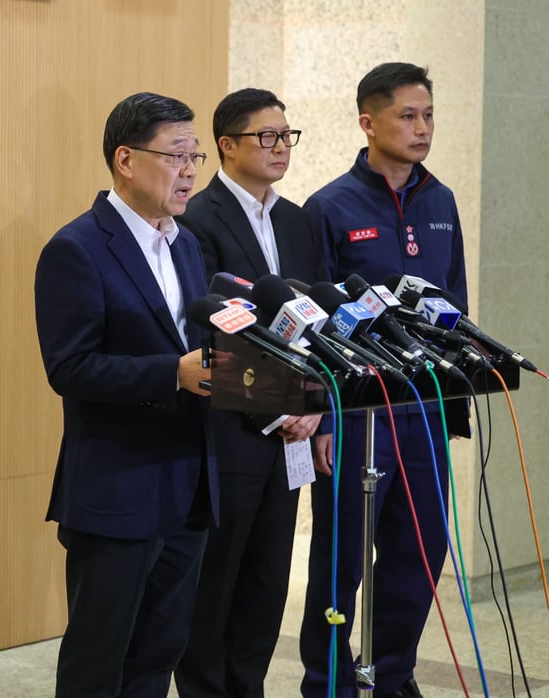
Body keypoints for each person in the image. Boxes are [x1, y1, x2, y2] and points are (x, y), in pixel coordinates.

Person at [34, 91, 218, 698]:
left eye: (196, 157)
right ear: (126, 160)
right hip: (116, 492)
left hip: (187, 488)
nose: (190, 171)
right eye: (177, 156)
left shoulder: (186, 244)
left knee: (157, 655)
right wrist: (174, 372)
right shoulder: (77, 248)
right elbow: (71, 368)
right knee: (98, 660)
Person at [298, 63, 469, 698]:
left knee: (421, 552)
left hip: (423, 408)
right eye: (407, 115)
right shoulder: (329, 207)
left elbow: (456, 304)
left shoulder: (442, 200)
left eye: (428, 115)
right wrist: (319, 414)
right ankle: (330, 680)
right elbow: (312, 326)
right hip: (359, 414)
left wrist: (454, 410)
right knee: (340, 560)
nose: (422, 128)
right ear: (368, 122)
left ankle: (393, 674)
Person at [173, 88, 324, 698]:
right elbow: (207, 325)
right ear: (227, 145)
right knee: (217, 582)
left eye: (288, 135)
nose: (281, 146)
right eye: (267, 136)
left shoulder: (296, 219)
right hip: (229, 429)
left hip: (292, 431)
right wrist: (281, 401)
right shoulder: (198, 220)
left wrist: (313, 406)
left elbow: (313, 321)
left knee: (267, 582)